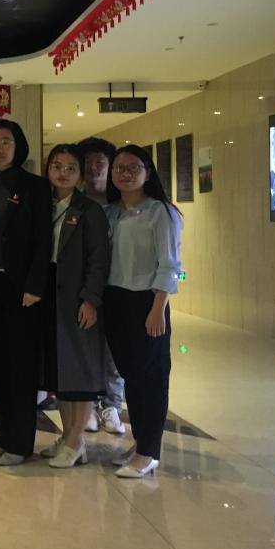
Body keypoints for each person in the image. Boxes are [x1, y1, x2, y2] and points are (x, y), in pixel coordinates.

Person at [104, 145, 182, 478]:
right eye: (119, 167)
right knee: (131, 376)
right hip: (115, 300)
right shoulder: (111, 212)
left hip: (147, 302)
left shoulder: (161, 212)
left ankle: (149, 452)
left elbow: (169, 264)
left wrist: (158, 308)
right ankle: (141, 444)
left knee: (150, 378)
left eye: (133, 167)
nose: (125, 173)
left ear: (147, 172)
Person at [0, 119, 52, 466]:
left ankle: (21, 443)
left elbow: (42, 240)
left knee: (21, 366)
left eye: (5, 141)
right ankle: (2, 437)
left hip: (22, 289)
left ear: (18, 145)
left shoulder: (36, 186)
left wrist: (35, 285)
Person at [37, 144, 110, 469]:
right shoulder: (45, 205)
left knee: (80, 371)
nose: (62, 172)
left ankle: (76, 440)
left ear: (80, 175)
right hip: (52, 295)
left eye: (70, 167)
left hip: (78, 298)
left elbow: (99, 259)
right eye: (57, 166)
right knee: (61, 373)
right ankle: (68, 437)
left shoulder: (90, 210)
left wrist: (90, 299)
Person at [76, 136, 127, 437]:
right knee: (86, 347)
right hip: (83, 288)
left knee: (114, 350)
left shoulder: (122, 205)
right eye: (88, 162)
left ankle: (112, 406)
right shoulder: (76, 204)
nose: (94, 168)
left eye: (100, 162)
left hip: (118, 286)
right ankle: (90, 406)